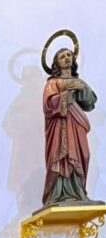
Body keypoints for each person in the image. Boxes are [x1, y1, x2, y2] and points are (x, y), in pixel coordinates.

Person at [41, 45, 99, 207]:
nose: (67, 58)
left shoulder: (79, 82)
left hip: (77, 123)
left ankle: (79, 193)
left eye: (69, 55)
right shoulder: (52, 83)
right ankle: (58, 195)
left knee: (83, 155)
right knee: (62, 156)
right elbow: (48, 105)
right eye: (62, 56)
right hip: (60, 126)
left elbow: (90, 104)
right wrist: (66, 94)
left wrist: (83, 89)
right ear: (56, 63)